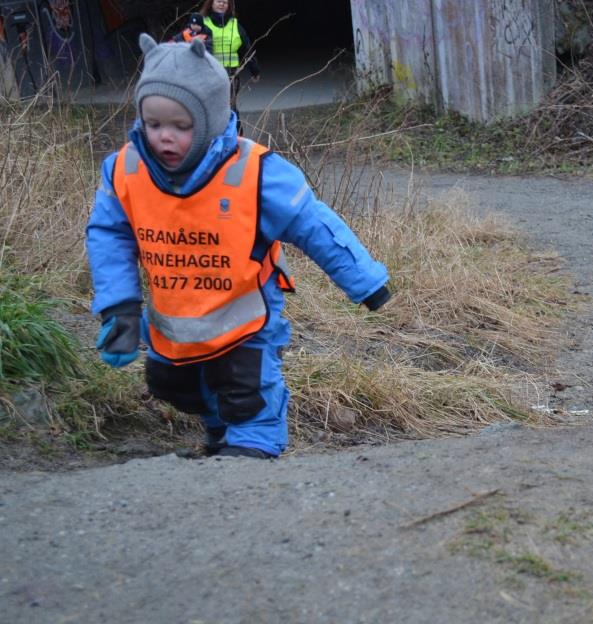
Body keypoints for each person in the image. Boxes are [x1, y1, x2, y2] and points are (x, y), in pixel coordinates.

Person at [86, 34, 391, 459]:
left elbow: (313, 223)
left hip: (247, 316)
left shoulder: (255, 171)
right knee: (176, 385)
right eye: (153, 124)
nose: (164, 138)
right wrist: (118, 307)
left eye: (180, 125)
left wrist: (365, 280)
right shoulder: (126, 170)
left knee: (247, 392)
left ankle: (252, 451)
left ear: (209, 118)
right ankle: (219, 433)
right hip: (176, 320)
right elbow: (109, 235)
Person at [200, 0, 259, 131]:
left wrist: (254, 70)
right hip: (208, 75)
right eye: (219, 1)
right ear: (211, 3)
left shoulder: (235, 25)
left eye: (225, 2)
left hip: (231, 75)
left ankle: (237, 138)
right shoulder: (202, 23)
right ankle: (212, 139)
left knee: (230, 109)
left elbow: (247, 48)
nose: (222, 4)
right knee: (210, 108)